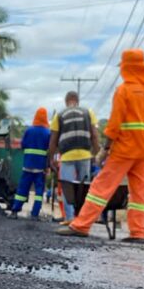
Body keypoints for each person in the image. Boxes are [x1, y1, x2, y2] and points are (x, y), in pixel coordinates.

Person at [57, 49, 144, 244]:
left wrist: (105, 149)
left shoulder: (124, 90)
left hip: (125, 149)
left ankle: (81, 225)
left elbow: (114, 124)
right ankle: (138, 233)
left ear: (126, 67)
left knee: (101, 186)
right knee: (139, 192)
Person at [48, 91, 100, 222]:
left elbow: (53, 140)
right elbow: (94, 135)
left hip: (67, 157)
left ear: (66, 102)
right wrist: (95, 153)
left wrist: (51, 159)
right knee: (84, 189)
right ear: (77, 101)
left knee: (68, 189)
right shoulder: (88, 113)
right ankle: (82, 219)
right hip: (85, 156)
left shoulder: (59, 115)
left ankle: (70, 218)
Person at [10, 108, 51, 220]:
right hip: (40, 167)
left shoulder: (29, 130)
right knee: (38, 192)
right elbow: (50, 150)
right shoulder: (48, 132)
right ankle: (34, 214)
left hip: (28, 164)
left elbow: (23, 145)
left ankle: (15, 211)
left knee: (22, 188)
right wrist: (48, 166)